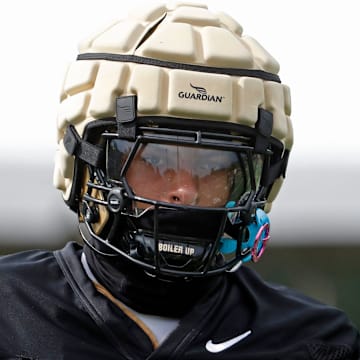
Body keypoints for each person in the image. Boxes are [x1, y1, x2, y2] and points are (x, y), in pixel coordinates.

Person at [0, 2, 359, 359]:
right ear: (85, 162)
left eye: (214, 165)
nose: (185, 190)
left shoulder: (318, 343)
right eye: (154, 160)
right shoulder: (9, 310)